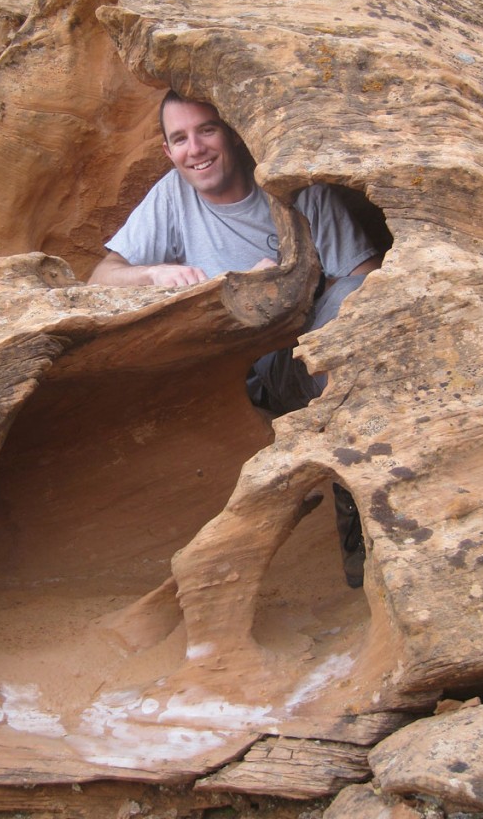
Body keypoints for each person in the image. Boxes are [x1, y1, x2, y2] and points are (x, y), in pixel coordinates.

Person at [89, 92, 382, 585]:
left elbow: (367, 280)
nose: (195, 149)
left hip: (321, 347)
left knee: (355, 315)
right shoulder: (173, 196)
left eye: (206, 130)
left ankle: (362, 513)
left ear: (233, 133)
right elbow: (100, 279)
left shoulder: (295, 189)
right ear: (167, 151)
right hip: (257, 368)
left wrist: (289, 291)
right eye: (180, 138)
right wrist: (155, 274)